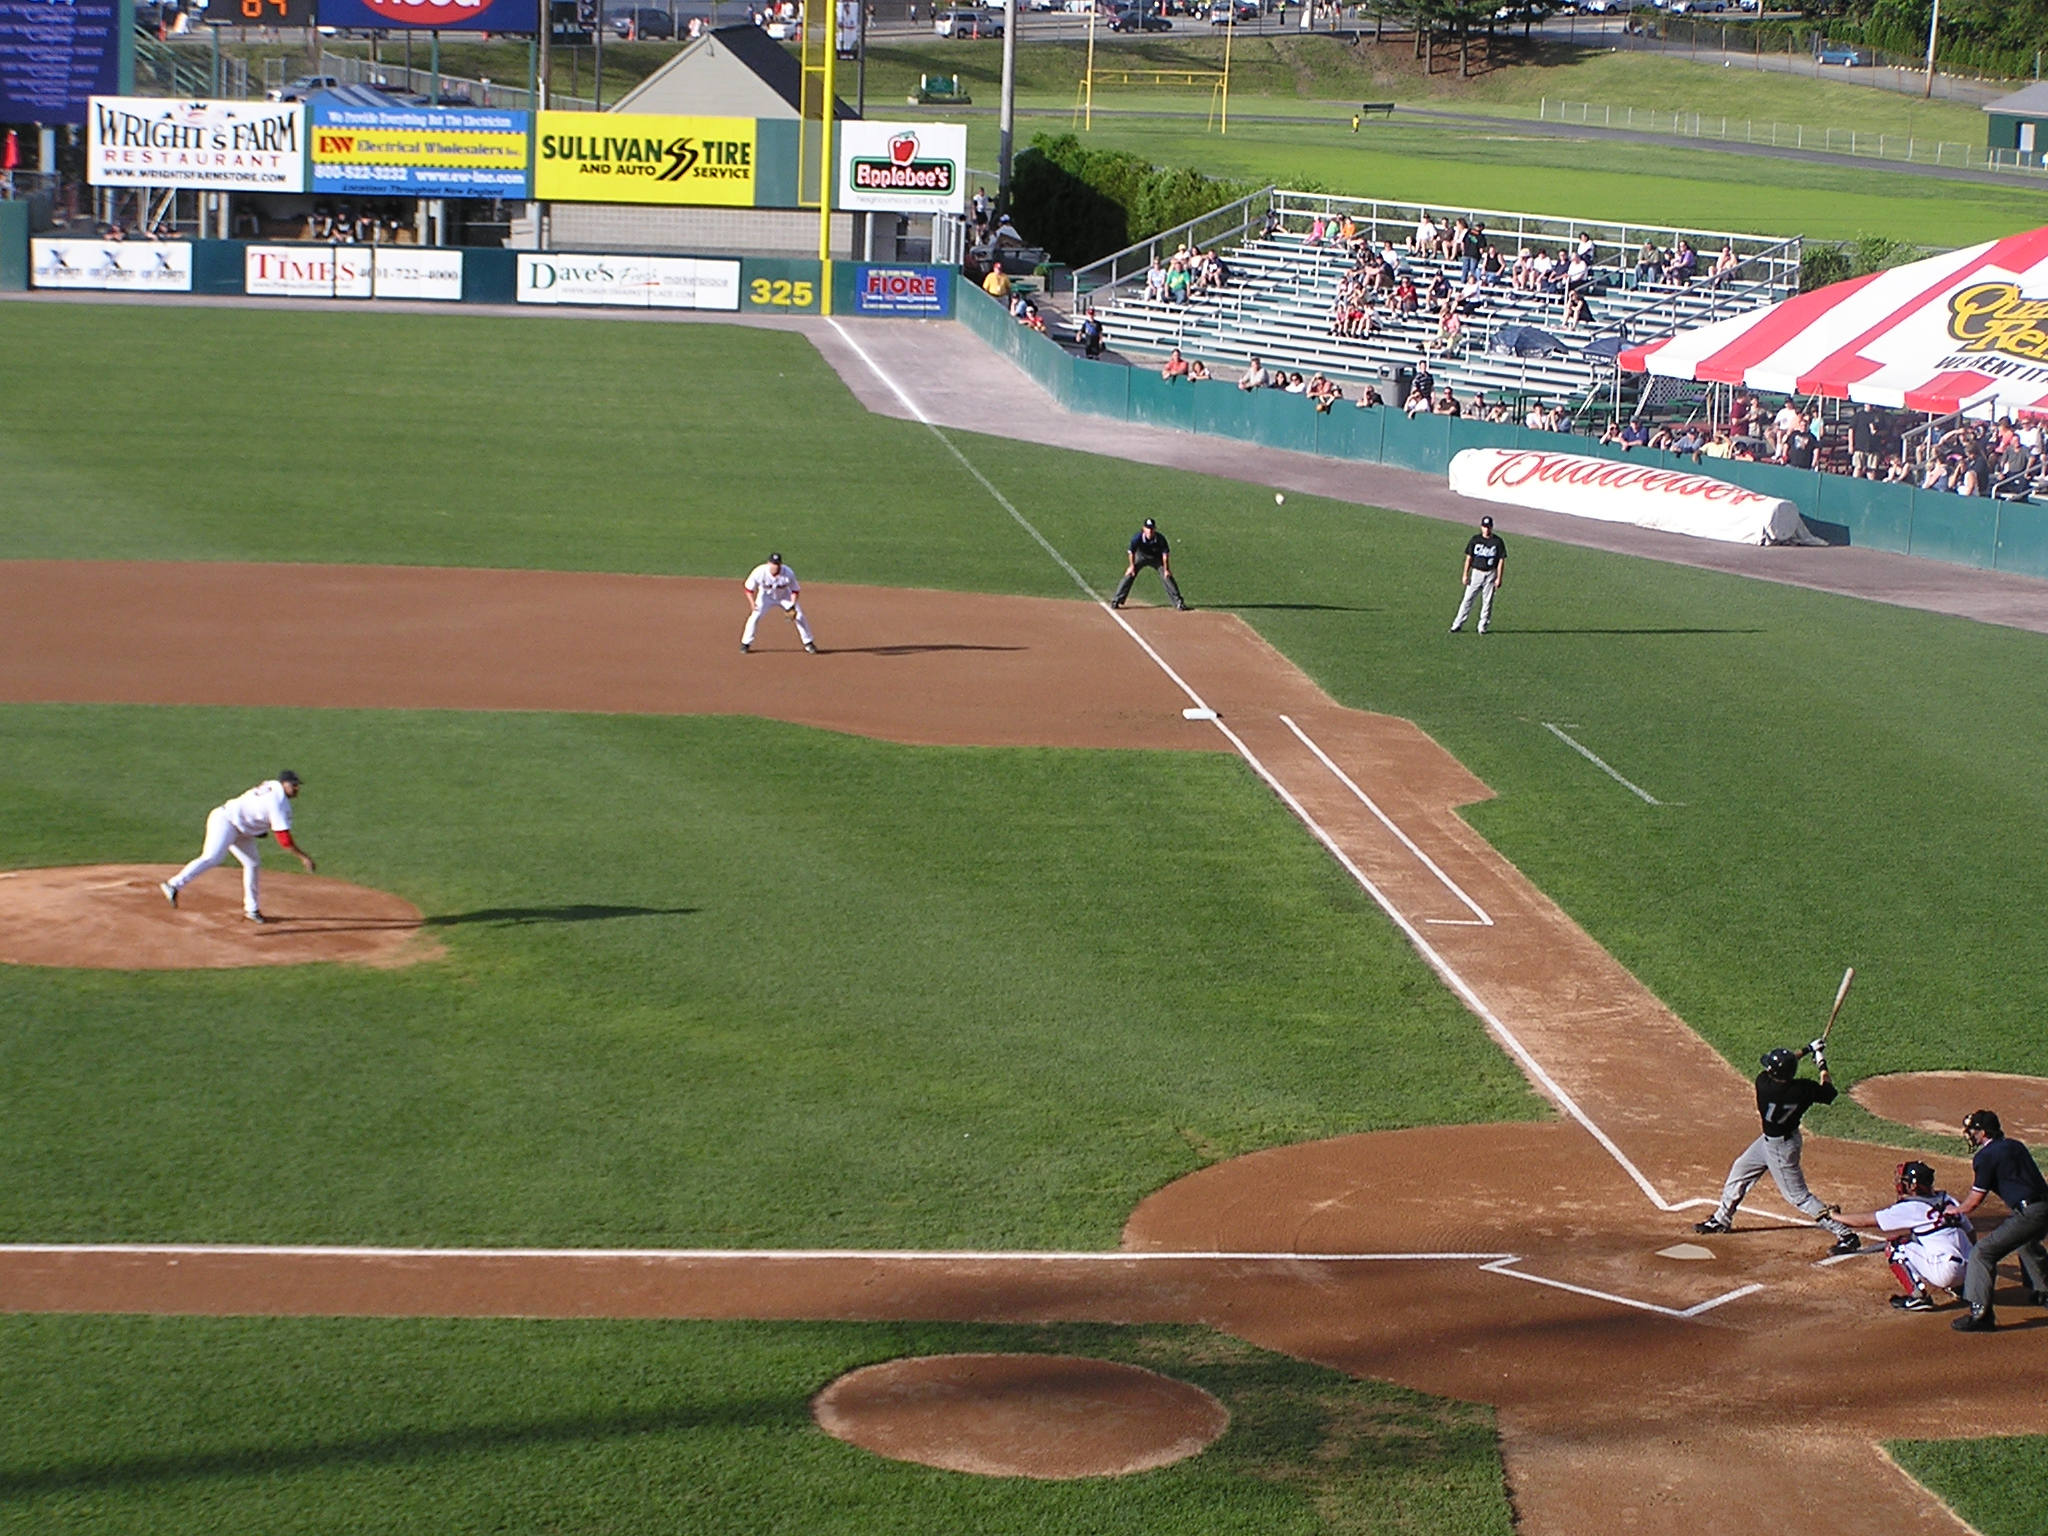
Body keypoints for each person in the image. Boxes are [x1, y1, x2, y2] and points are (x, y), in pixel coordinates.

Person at [1693, 1044, 1862, 1255]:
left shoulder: (1763, 1084)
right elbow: (1828, 1092)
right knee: (1741, 1169)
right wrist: (1821, 1062)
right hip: (1775, 1142)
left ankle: (1845, 1235)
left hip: (1780, 1150)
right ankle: (1721, 1219)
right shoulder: (1803, 1089)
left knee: (1798, 1197)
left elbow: (1786, 1063)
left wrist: (1806, 1048)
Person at [161, 771, 315, 924]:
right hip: (225, 821)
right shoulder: (279, 801)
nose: (296, 789)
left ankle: (252, 910)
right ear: (284, 784)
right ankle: (173, 885)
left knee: (252, 863)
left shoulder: (272, 785)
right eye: (293, 785)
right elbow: (284, 840)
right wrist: (304, 857)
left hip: (241, 829)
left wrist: (259, 829)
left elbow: (255, 809)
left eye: (297, 786)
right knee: (213, 857)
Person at [1948, 1110, 2048, 1332]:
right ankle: (2044, 1292)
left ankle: (1980, 1313)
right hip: (2045, 1208)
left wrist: (1956, 1210)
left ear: (1983, 1132)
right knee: (2026, 1242)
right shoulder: (2016, 1145)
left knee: (1983, 1253)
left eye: (1973, 1130)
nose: (1970, 1135)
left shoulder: (1985, 1157)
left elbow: (1975, 1199)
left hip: (2029, 1213)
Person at [1836, 1162, 1973, 1312]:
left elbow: (1863, 1221)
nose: (1900, 1183)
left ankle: (1918, 1297)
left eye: (1904, 1180)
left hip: (1946, 1273)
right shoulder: (1947, 1199)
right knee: (1924, 1237)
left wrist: (1834, 1216)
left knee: (1895, 1246)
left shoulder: (1911, 1207)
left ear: (1913, 1185)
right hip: (1971, 1270)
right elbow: (1970, 1233)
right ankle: (1960, 1288)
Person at [741, 552, 816, 654]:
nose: (775, 566)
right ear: (768, 563)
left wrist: (792, 605)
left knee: (799, 616)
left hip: (785, 596)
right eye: (773, 564)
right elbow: (748, 589)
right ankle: (745, 644)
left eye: (777, 564)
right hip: (765, 597)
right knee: (755, 617)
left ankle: (808, 643)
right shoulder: (759, 572)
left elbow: (795, 590)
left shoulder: (788, 572)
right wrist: (752, 603)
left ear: (781, 564)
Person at [1111, 517, 1186, 611]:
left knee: (1167, 577)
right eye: (1148, 528)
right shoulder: (1137, 538)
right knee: (1129, 574)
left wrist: (1166, 570)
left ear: (1154, 529)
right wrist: (1131, 566)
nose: (1150, 531)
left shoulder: (1160, 539)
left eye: (1151, 528)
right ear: (1143, 529)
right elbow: (1131, 552)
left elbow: (1165, 555)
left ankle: (1178, 602)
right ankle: (1116, 600)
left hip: (1157, 559)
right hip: (1141, 556)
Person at [1449, 515, 1505, 635]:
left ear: (1492, 527)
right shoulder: (1475, 540)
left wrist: (1499, 578)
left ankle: (1482, 626)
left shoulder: (1497, 542)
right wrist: (1465, 574)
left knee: (1487, 601)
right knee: (1467, 599)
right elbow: (1469, 558)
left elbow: (1501, 560)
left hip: (1490, 573)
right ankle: (1457, 624)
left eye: (1488, 527)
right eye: (1484, 527)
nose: (1486, 529)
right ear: (1481, 527)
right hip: (1476, 573)